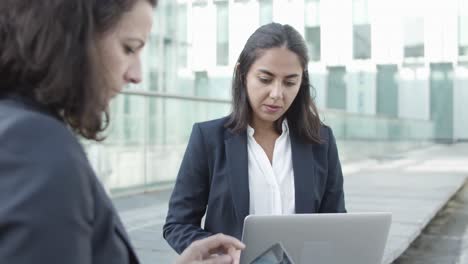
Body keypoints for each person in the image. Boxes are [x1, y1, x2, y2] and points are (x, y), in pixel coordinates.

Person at [0, 0, 242, 263]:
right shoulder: (37, 144)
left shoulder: (16, 126)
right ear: (72, 37)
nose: (137, 75)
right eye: (129, 48)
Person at [163, 22, 347, 262]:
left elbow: (336, 223)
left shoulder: (321, 141)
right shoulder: (208, 139)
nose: (277, 94)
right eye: (265, 79)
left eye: (290, 82)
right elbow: (178, 224)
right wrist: (220, 251)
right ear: (243, 74)